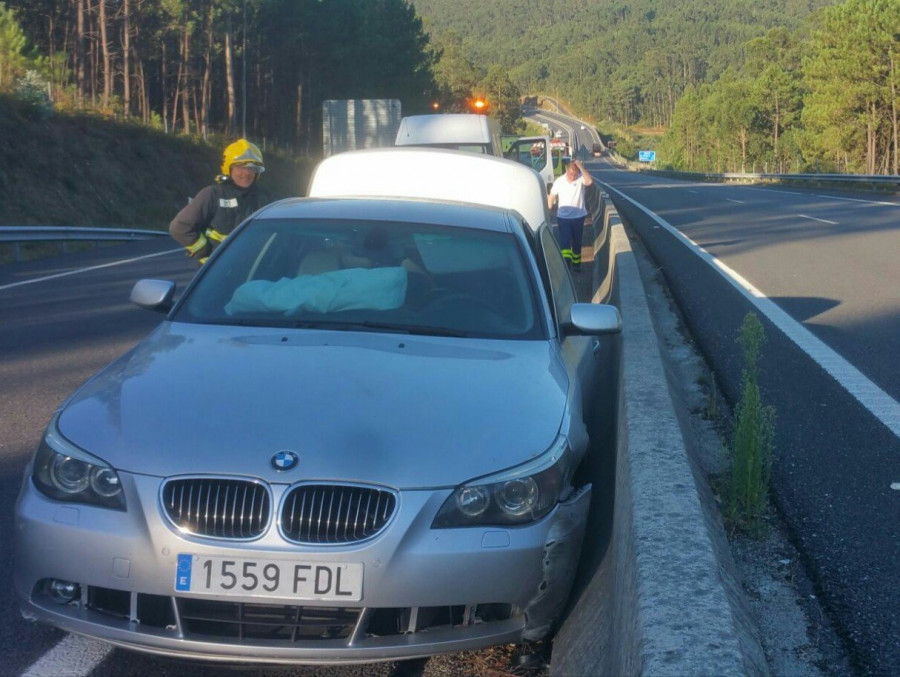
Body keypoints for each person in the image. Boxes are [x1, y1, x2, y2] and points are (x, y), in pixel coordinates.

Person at [169, 138, 265, 265]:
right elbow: (179, 227)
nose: (246, 172)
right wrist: (205, 251)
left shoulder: (263, 199)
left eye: (252, 168)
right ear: (229, 168)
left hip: (251, 272)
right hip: (217, 274)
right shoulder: (212, 195)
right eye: (240, 167)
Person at [547, 158, 592, 271]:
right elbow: (551, 196)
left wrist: (581, 167)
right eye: (571, 174)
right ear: (567, 171)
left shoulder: (581, 178)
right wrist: (548, 211)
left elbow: (590, 181)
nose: (573, 177)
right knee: (565, 243)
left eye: (575, 174)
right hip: (563, 218)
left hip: (578, 217)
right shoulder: (559, 181)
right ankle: (566, 266)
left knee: (577, 242)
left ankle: (576, 265)